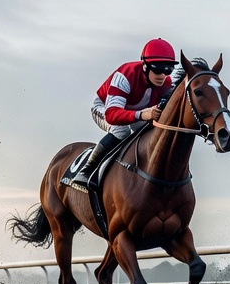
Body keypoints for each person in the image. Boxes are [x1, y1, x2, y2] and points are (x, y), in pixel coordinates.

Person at [63, 38, 181, 189]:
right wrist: (141, 115)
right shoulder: (126, 75)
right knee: (121, 130)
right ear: (145, 66)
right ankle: (87, 170)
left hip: (137, 110)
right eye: (157, 69)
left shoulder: (165, 83)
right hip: (105, 108)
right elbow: (112, 115)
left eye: (168, 70)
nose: (162, 76)